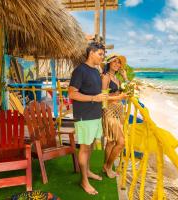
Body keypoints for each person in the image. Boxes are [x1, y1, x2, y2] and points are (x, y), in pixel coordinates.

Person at [68, 42, 107, 195]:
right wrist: (94, 98)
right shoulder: (80, 70)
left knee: (90, 146)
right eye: (100, 54)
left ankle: (88, 171)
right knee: (84, 148)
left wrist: (99, 99)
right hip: (84, 116)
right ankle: (84, 181)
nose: (102, 58)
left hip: (95, 115)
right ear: (91, 52)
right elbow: (72, 93)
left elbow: (98, 94)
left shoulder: (96, 71)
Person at [101, 53, 129, 178]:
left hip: (118, 110)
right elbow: (103, 98)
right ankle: (108, 166)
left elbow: (129, 91)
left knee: (111, 141)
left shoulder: (117, 79)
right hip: (109, 111)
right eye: (115, 62)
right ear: (109, 63)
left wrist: (125, 77)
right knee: (121, 142)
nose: (118, 64)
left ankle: (106, 167)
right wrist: (119, 97)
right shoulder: (105, 77)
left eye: (119, 62)